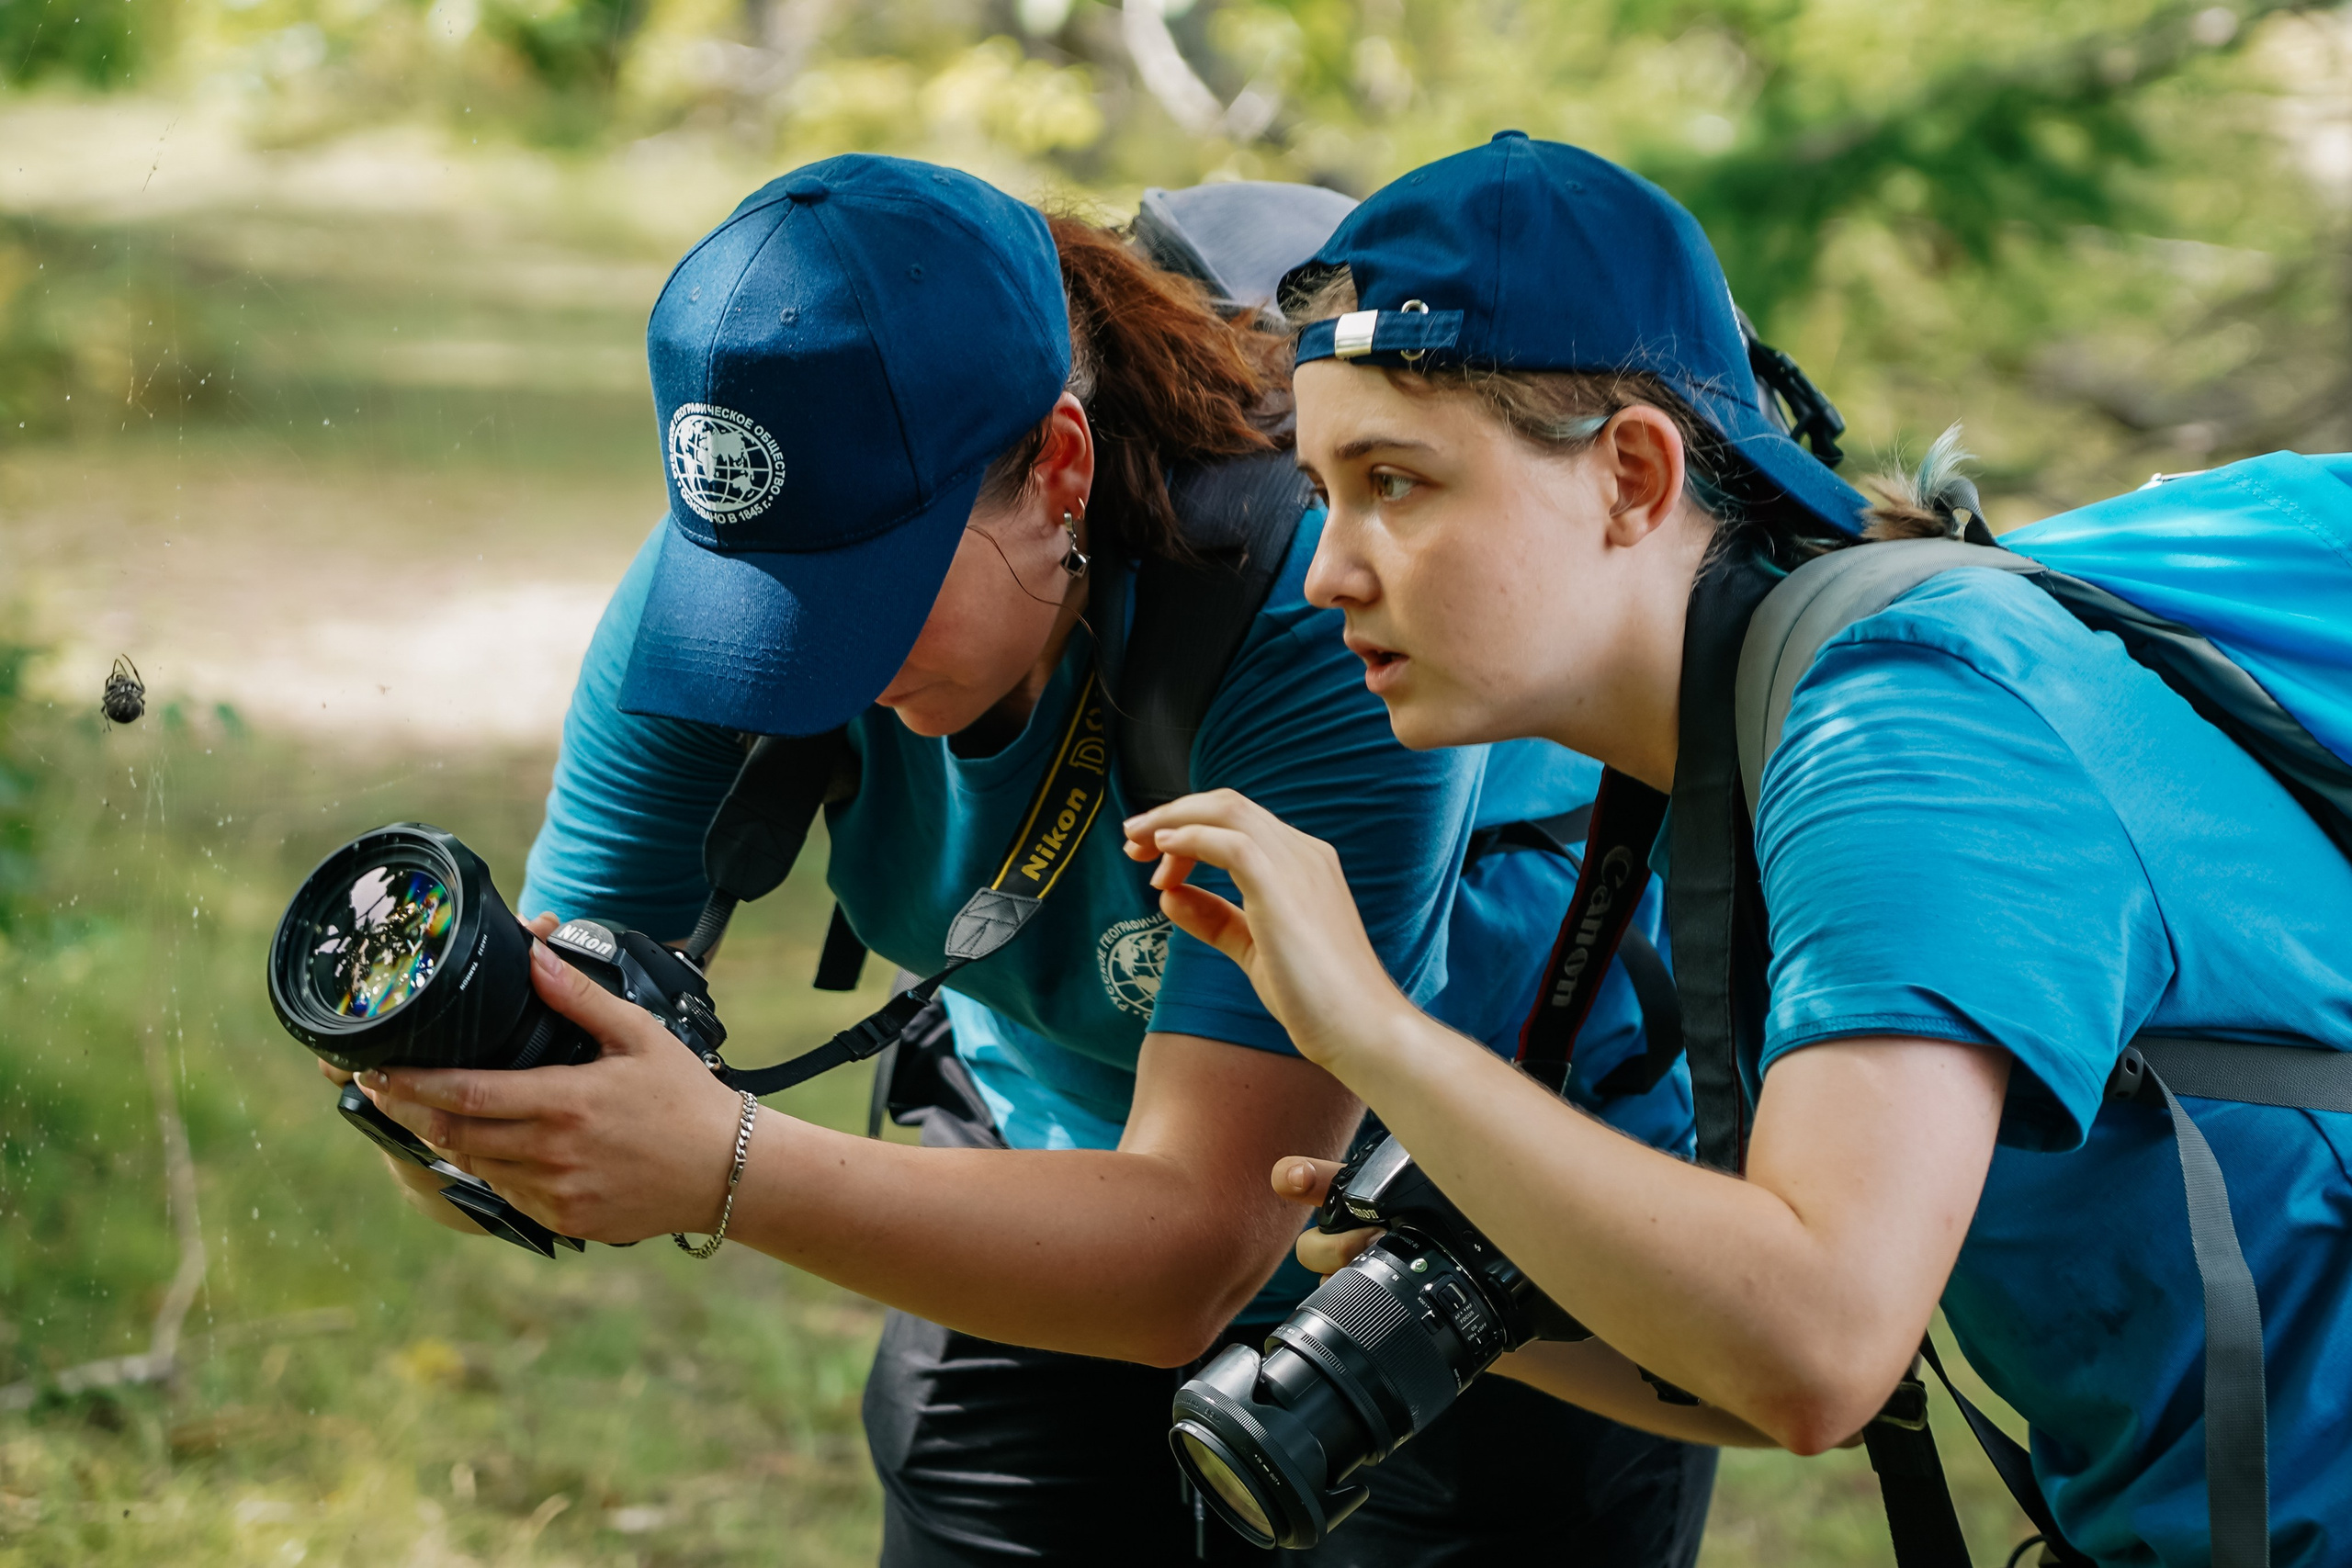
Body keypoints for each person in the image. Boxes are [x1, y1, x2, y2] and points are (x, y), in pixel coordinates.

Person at [345, 154, 1715, 1566]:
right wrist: (470, 1096)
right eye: (766, 610)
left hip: (1452, 1245)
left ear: (1060, 465)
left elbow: (1195, 1243)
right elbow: (574, 1013)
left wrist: (727, 1167)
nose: (816, 668)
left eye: (866, 598)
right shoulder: (728, 584)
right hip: (1040, 1160)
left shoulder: (1315, 610)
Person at [1124, 132, 2352, 1566]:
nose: (1330, 566)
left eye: (1396, 482)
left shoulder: (1896, 742)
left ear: (1635, 478)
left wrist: (1376, 1035)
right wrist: (1467, 1289)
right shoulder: (1742, 743)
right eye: (1321, 493)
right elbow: (1778, 1371)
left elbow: (1819, 1343)